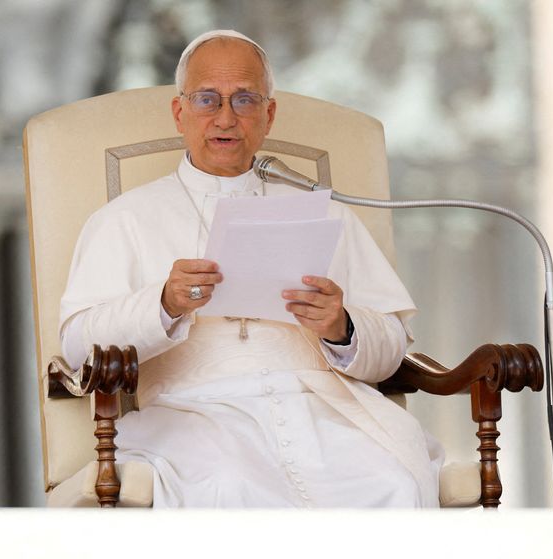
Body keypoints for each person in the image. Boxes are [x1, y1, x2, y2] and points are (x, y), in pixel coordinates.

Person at [59, 30, 443, 507]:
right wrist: (163, 304)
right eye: (207, 99)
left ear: (268, 115)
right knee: (229, 485)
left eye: (244, 99)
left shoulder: (325, 212)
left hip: (325, 413)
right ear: (180, 113)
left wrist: (342, 328)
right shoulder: (123, 219)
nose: (226, 117)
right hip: (193, 414)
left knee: (393, 481)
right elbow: (77, 348)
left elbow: (389, 351)